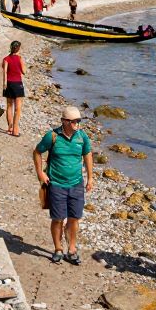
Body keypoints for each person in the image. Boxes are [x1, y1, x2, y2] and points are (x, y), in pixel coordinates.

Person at [33, 106, 94, 265]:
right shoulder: (52, 136)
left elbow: (87, 154)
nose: (77, 124)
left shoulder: (82, 137)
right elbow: (37, 152)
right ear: (64, 121)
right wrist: (40, 173)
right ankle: (58, 249)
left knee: (74, 218)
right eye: (74, 122)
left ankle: (72, 249)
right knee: (58, 218)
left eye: (79, 121)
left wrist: (90, 178)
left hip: (76, 184)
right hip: (56, 184)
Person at [1, 40, 26, 136]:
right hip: (18, 84)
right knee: (18, 108)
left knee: (9, 106)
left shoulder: (6, 59)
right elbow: (24, 71)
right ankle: (15, 130)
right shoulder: (19, 58)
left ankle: (9, 128)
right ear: (18, 48)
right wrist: (22, 63)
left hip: (9, 84)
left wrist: (4, 84)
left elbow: (5, 72)